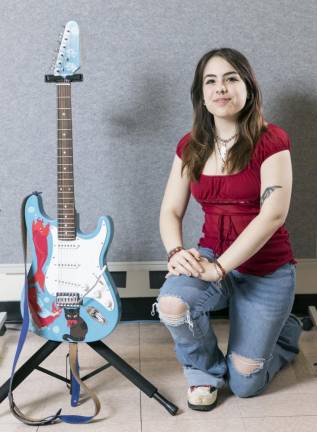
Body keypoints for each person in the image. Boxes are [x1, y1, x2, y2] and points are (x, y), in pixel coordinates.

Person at [151, 47, 303, 411]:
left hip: (265, 270)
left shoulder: (272, 140)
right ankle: (203, 372)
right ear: (201, 95)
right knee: (172, 304)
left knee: (246, 383)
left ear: (248, 87)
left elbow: (272, 216)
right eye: (211, 81)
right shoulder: (191, 146)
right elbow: (171, 209)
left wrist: (219, 268)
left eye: (231, 78)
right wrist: (177, 252)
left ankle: (286, 333)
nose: (221, 88)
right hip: (211, 257)